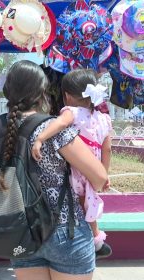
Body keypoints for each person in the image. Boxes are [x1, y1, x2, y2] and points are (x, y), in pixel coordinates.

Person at [0, 60, 108, 280]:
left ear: (8, 91)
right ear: (42, 92)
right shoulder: (53, 128)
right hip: (66, 230)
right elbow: (100, 177)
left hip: (21, 231)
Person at [31, 69, 112, 260]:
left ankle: (91, 240)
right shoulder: (104, 119)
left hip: (75, 167)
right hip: (92, 169)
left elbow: (58, 124)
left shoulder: (72, 112)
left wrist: (40, 139)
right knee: (87, 202)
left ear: (66, 96)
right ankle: (96, 240)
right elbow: (107, 149)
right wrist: (103, 174)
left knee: (76, 202)